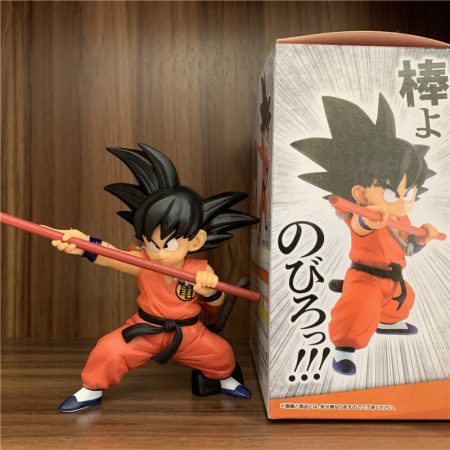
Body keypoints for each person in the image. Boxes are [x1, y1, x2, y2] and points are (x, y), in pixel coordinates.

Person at [54, 143, 258, 412]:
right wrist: (84, 244)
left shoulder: (199, 269)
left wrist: (210, 291)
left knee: (221, 353)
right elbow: (111, 255)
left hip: (188, 333)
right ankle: (91, 390)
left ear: (195, 241)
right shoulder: (143, 262)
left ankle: (224, 379)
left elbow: (216, 304)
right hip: (145, 329)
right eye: (151, 243)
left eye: (169, 245)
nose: (159, 253)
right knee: (108, 350)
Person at [291, 94, 440, 376]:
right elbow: (360, 228)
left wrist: (420, 240)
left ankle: (388, 322)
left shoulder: (402, 219)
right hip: (365, 278)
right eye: (390, 194)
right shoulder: (361, 216)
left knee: (405, 299)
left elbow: (405, 249)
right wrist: (370, 220)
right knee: (359, 310)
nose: (402, 202)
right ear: (361, 193)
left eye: (409, 194)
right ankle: (343, 351)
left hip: (392, 277)